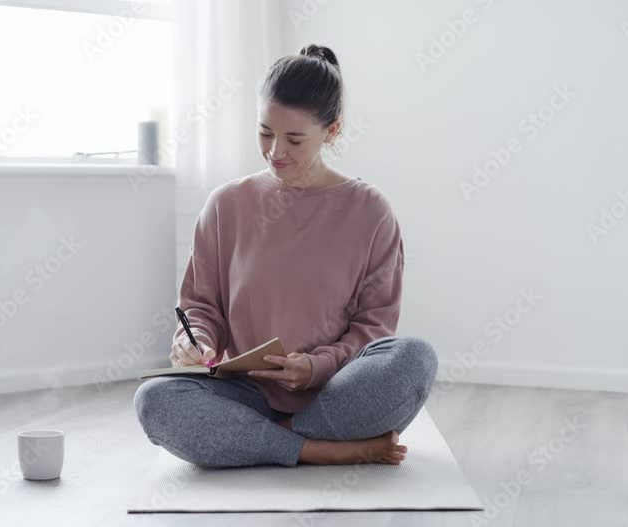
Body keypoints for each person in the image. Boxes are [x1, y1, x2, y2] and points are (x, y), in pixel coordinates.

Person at [133, 44, 438, 468]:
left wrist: (314, 367)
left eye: (294, 139)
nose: (276, 151)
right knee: (155, 400)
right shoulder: (226, 204)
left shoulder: (370, 211)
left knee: (414, 359)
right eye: (265, 132)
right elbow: (201, 306)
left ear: (332, 131)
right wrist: (194, 340)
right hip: (246, 395)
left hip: (336, 391)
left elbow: (375, 329)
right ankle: (319, 448)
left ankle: (266, 442)